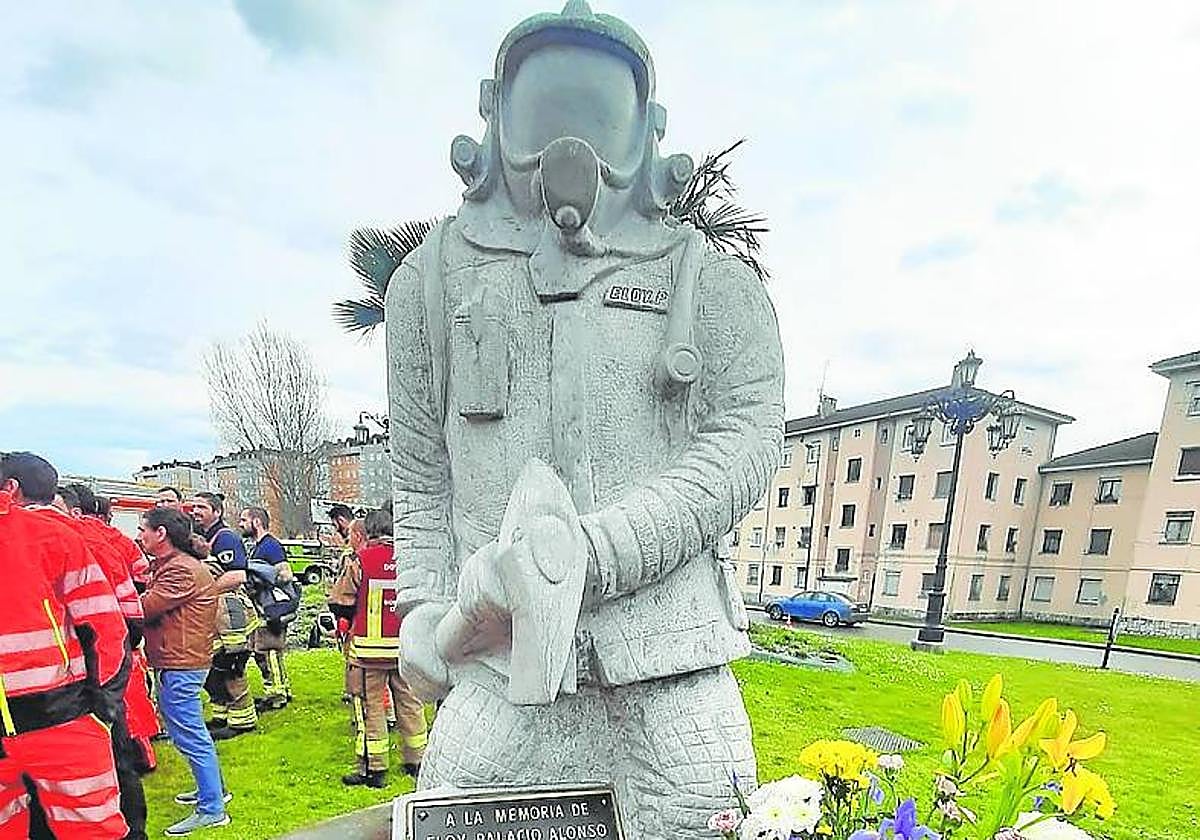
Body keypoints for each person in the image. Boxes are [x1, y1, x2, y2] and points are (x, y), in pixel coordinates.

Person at [0, 453, 148, 840]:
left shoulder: (49, 535)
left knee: (94, 830)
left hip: (64, 718)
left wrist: (100, 710)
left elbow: (109, 626)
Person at [138, 507, 232, 835]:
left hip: (181, 662)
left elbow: (143, 609)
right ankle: (214, 791)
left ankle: (212, 809)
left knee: (190, 735)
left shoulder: (180, 571)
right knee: (192, 734)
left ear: (161, 534)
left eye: (143, 530)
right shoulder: (174, 566)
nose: (140, 536)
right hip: (181, 660)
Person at [328, 509, 427, 788]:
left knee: (371, 708)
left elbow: (341, 601)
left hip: (368, 653)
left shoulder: (360, 560)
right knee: (410, 704)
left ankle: (375, 769)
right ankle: (417, 761)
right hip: (404, 649)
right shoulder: (408, 561)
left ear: (369, 531)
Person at [189, 492, 259, 739]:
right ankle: (221, 714)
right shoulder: (202, 537)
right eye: (194, 506)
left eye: (202, 507)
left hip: (229, 613)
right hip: (213, 614)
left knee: (231, 663)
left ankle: (242, 719)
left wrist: (204, 593)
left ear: (216, 512)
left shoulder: (225, 537)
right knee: (214, 666)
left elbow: (238, 575)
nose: (195, 511)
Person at [238, 506, 295, 711]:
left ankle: (276, 694)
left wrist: (261, 580)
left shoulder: (270, 546)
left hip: (270, 607)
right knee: (266, 650)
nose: (240, 524)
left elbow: (285, 575)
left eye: (244, 520)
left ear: (257, 522)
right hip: (263, 606)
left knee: (269, 649)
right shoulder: (258, 546)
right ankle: (280, 689)